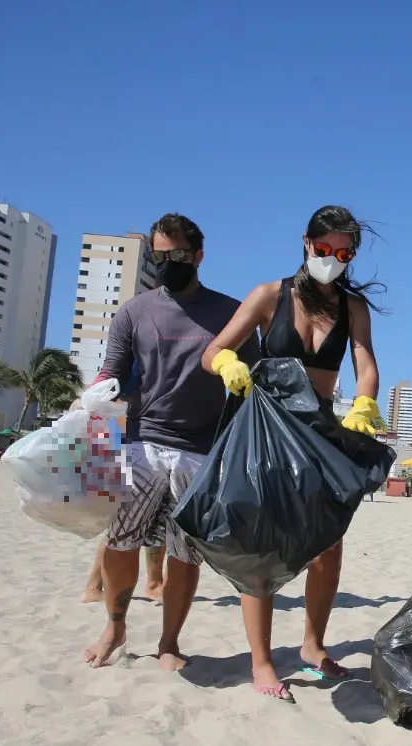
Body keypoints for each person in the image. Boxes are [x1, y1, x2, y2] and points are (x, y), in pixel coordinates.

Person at [202, 205, 384, 702]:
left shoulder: (352, 308)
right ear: (306, 242)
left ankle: (312, 645)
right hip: (266, 428)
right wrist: (226, 364)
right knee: (261, 543)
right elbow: (213, 349)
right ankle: (262, 660)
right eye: (324, 249)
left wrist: (365, 401)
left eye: (343, 253)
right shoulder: (269, 295)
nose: (332, 259)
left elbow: (365, 364)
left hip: (320, 428)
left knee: (329, 544)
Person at [84, 212, 260, 671]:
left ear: (198, 255)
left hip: (202, 448)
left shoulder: (230, 312)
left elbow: (255, 383)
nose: (168, 262)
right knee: (120, 540)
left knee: (186, 550)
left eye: (177, 254)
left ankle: (169, 642)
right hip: (143, 438)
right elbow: (114, 371)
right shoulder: (134, 311)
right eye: (159, 255)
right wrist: (96, 391)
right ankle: (115, 625)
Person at [82, 361, 164, 604]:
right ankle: (96, 586)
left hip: (134, 438)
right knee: (123, 524)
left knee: (139, 523)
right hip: (132, 439)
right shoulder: (135, 356)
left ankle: (152, 583)